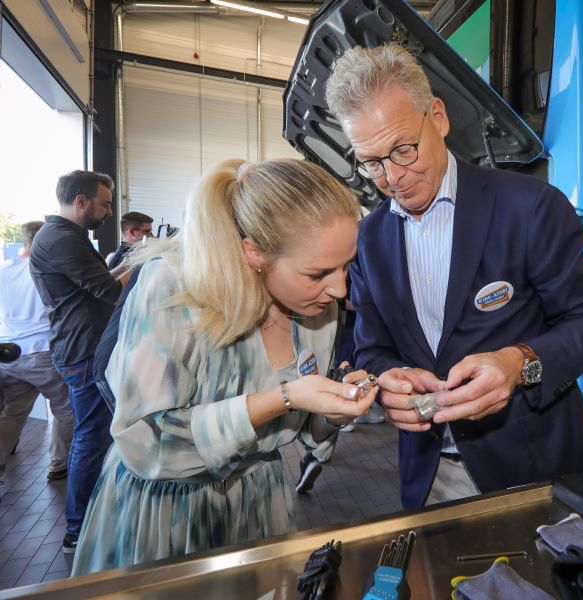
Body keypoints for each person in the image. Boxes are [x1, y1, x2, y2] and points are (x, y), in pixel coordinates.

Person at [326, 44, 583, 509]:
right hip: (430, 478)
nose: (393, 177)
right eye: (372, 162)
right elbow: (371, 348)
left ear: (438, 117)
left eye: (403, 149)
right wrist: (388, 383)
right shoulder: (368, 239)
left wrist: (521, 363)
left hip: (538, 472)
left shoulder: (530, 207)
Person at [71, 158, 377, 575]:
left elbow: (304, 426)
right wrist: (282, 397)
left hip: (260, 508)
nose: (340, 289)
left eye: (347, 267)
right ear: (254, 252)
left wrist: (335, 410)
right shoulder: (173, 289)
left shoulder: (319, 309)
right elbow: (145, 442)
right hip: (169, 519)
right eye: (318, 272)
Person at [30, 170, 122, 553]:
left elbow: (100, 282)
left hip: (87, 349)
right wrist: (150, 265)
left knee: (99, 435)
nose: (109, 210)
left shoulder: (69, 238)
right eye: (104, 203)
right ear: (80, 202)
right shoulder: (59, 241)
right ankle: (78, 529)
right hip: (83, 353)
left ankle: (91, 519)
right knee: (90, 437)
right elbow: (109, 291)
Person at [0, 221, 74, 488]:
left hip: (9, 354)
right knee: (66, 409)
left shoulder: (4, 270)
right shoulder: (45, 271)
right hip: (43, 352)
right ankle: (58, 463)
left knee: (13, 412)